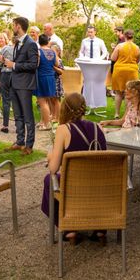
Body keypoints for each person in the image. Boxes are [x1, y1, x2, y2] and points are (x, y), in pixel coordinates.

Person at [42, 93, 107, 245]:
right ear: (83, 109)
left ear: (65, 108)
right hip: (100, 187)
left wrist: (50, 156)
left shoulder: (64, 130)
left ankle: (69, 229)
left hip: (74, 187)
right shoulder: (98, 128)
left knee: (49, 180)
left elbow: (53, 169)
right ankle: (100, 229)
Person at [5, 16, 39, 155]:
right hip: (15, 82)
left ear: (18, 26)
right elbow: (18, 61)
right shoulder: (18, 42)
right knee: (18, 115)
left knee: (28, 116)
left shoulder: (30, 43)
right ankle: (20, 142)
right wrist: (6, 61)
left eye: (13, 25)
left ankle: (29, 145)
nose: (13, 27)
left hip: (25, 84)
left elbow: (33, 65)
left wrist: (14, 65)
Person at [110, 29, 140, 119]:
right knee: (129, 92)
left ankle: (117, 113)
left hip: (120, 70)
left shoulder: (120, 46)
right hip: (132, 70)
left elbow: (113, 58)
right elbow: (138, 60)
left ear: (125, 36)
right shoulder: (137, 47)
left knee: (119, 93)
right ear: (132, 37)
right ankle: (127, 113)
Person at [36, 34, 58, 130]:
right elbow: (56, 63)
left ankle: (46, 124)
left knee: (42, 101)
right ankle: (43, 121)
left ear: (39, 42)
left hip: (42, 77)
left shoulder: (39, 52)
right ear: (47, 42)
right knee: (47, 101)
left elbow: (36, 64)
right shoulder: (52, 52)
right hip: (51, 77)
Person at [0, 35, 14, 134]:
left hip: (5, 74)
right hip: (15, 75)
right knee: (16, 100)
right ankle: (18, 126)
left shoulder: (4, 49)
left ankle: (5, 125)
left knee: (6, 100)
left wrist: (1, 60)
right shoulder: (18, 49)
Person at [0, 32, 10, 113]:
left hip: (6, 71)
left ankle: (6, 106)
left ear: (5, 40)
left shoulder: (8, 48)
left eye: (2, 38)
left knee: (6, 90)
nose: (0, 40)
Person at [50, 41, 64, 122]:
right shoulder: (51, 60)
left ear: (58, 52)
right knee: (51, 99)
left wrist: (54, 68)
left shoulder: (59, 60)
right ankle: (53, 115)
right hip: (51, 81)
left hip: (57, 81)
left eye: (53, 51)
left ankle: (58, 117)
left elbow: (61, 71)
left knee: (56, 100)